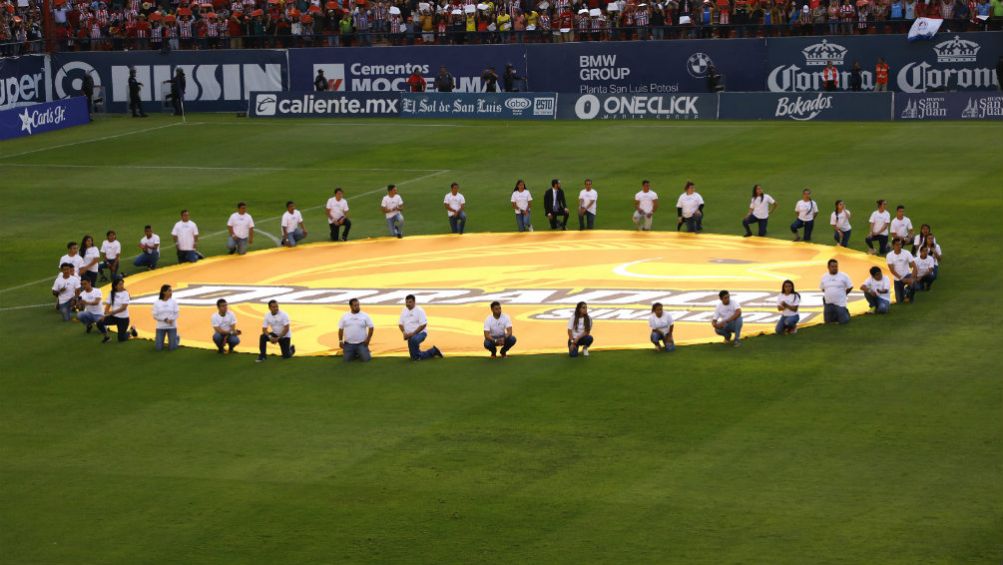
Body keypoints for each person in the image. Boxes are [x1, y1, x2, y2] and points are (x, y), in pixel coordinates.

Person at [398, 294, 443, 361]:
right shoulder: (404, 310)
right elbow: (400, 324)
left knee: (413, 340)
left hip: (421, 333)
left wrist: (413, 333)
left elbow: (423, 325)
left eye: (410, 302)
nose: (408, 304)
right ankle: (433, 351)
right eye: (406, 302)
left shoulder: (419, 310)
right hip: (409, 336)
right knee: (414, 357)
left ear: (414, 302)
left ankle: (429, 352)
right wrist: (404, 332)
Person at [96, 276, 139, 343]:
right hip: (114, 317)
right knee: (99, 323)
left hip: (123, 319)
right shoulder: (111, 293)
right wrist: (105, 315)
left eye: (122, 284)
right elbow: (107, 307)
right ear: (115, 286)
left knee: (121, 339)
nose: (122, 286)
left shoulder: (125, 293)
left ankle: (131, 331)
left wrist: (111, 312)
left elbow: (123, 308)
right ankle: (107, 337)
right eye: (120, 284)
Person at [339, 298, 375, 362]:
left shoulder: (365, 315)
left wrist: (368, 339)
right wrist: (340, 341)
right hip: (349, 343)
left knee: (366, 359)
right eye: (355, 305)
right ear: (350, 306)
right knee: (346, 360)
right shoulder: (344, 316)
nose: (357, 307)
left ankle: (361, 351)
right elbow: (341, 329)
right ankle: (356, 353)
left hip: (361, 343)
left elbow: (371, 327)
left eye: (358, 305)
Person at [820, 259, 853, 324]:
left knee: (843, 321)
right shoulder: (824, 276)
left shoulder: (844, 275)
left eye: (836, 266)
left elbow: (850, 286)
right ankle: (836, 313)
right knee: (827, 321)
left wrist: (844, 293)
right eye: (833, 267)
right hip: (829, 303)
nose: (835, 268)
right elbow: (822, 288)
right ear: (828, 267)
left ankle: (845, 312)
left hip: (840, 302)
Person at [885, 238, 917, 304]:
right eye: (897, 245)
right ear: (893, 246)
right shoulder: (889, 255)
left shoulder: (907, 253)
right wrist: (902, 278)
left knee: (913, 283)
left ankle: (909, 297)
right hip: (897, 279)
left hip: (907, 275)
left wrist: (911, 278)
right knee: (899, 301)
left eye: (900, 244)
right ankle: (905, 292)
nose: (899, 246)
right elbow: (892, 270)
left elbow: (914, 266)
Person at [151, 284, 180, 351]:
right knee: (158, 348)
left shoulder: (173, 302)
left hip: (172, 326)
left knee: (172, 348)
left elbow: (177, 313)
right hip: (161, 326)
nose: (171, 293)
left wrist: (172, 319)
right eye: (169, 291)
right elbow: (155, 315)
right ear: (164, 292)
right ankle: (159, 339)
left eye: (171, 291)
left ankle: (177, 338)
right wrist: (165, 320)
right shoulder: (157, 303)